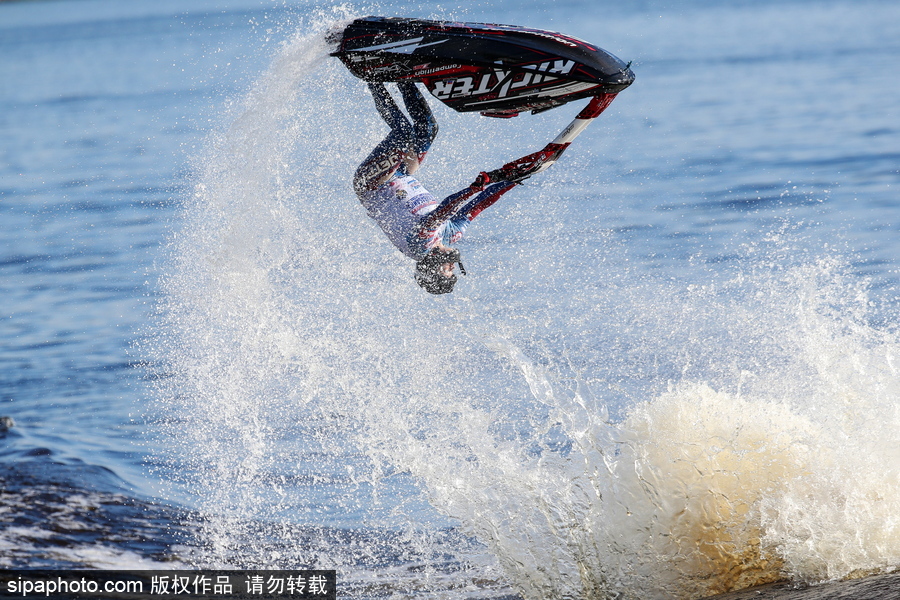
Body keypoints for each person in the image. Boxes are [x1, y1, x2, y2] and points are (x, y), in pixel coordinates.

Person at [353, 81, 518, 294]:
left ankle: (371, 77)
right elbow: (478, 206)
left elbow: (441, 213)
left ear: (432, 269)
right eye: (453, 271)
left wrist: (473, 188)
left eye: (446, 271)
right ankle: (403, 75)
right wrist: (514, 180)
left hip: (372, 183)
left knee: (403, 132)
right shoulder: (450, 236)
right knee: (428, 128)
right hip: (402, 172)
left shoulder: (419, 247)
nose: (451, 267)